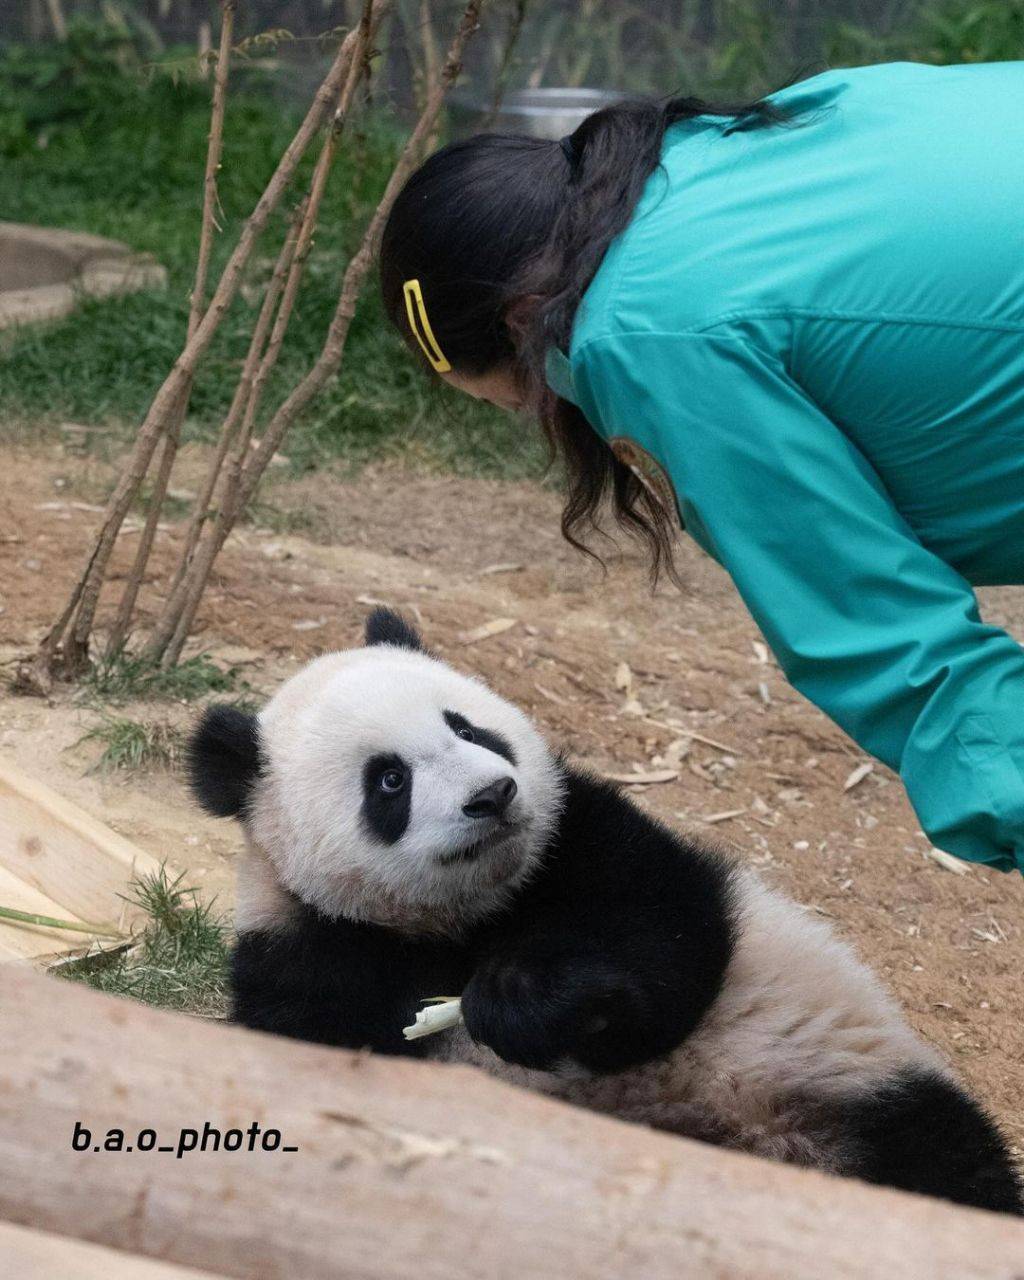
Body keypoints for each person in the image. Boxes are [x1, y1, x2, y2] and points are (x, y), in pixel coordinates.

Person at [377, 60, 1024, 876]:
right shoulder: (731, 150)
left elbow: (895, 650)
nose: (540, 413)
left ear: (521, 323)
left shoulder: (645, 334)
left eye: (517, 396)